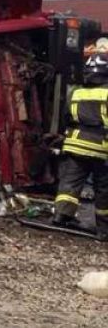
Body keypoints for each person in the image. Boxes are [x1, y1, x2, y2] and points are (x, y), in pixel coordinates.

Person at [53, 53, 108, 235]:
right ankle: (104, 227)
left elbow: (66, 117)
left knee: (70, 183)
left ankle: (61, 216)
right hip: (101, 148)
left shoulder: (75, 92)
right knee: (103, 188)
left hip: (75, 144)